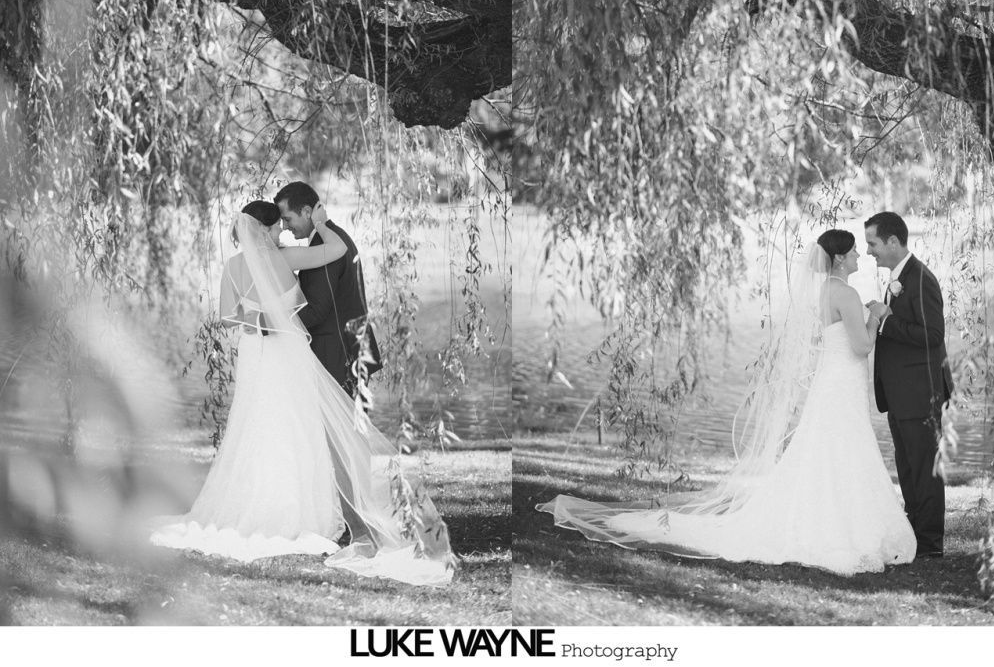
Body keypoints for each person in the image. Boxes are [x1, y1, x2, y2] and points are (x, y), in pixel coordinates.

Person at [537, 229, 917, 575]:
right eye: (853, 252)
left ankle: (828, 515)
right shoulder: (847, 294)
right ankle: (841, 523)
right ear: (838, 259)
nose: (859, 257)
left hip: (832, 383)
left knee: (826, 448)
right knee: (843, 447)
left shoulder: (823, 292)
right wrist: (877, 316)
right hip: (841, 384)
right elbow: (862, 346)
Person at [150, 201, 453, 585]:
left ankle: (262, 506)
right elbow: (337, 251)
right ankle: (300, 513)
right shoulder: (286, 257)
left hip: (256, 350)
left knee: (258, 424)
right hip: (285, 350)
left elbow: (228, 315)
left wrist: (258, 322)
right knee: (293, 425)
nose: (284, 233)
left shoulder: (232, 267)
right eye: (278, 227)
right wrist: (323, 224)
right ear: (265, 230)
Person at [864, 211, 952, 559]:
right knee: (909, 465)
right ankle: (914, 532)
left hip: (921, 391)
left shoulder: (920, 279)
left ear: (893, 242)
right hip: (902, 393)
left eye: (873, 243)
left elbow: (933, 336)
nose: (870, 251)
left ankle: (930, 544)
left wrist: (887, 321)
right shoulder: (898, 278)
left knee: (925, 467)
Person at [273, 182, 381, 402]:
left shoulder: (326, 245)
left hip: (337, 355)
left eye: (287, 219)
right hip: (348, 351)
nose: (284, 227)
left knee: (336, 434)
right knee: (346, 433)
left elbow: (317, 310)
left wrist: (274, 321)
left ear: (306, 212)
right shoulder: (334, 238)